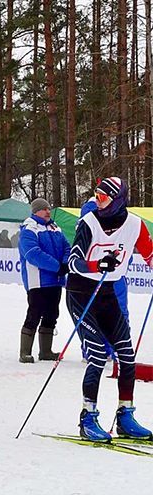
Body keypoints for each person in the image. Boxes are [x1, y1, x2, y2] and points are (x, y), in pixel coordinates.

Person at [66, 177, 153, 441]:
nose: (97, 202)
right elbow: (73, 262)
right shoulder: (88, 222)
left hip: (107, 294)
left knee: (126, 355)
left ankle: (125, 415)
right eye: (96, 196)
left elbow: (150, 254)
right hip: (81, 294)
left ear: (118, 200)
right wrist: (96, 265)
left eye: (103, 198)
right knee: (96, 355)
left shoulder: (135, 225)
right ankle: (87, 418)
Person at [18, 198, 70, 364]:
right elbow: (33, 253)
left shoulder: (55, 227)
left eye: (49, 208)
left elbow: (67, 247)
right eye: (44, 209)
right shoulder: (29, 228)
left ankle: (45, 351)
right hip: (38, 281)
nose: (48, 211)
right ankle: (25, 352)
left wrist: (65, 262)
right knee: (34, 314)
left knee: (52, 314)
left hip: (55, 280)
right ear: (35, 211)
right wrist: (57, 266)